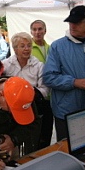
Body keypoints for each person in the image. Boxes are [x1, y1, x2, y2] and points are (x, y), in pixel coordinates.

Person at [42, 6, 85, 140]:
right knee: (67, 149)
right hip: (65, 112)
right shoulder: (57, 46)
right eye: (70, 22)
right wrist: (74, 82)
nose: (72, 25)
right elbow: (48, 77)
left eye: (77, 22)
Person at [3, 32, 48, 152]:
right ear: (15, 48)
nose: (26, 49)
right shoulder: (6, 65)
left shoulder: (39, 66)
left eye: (29, 45)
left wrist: (29, 94)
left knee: (32, 143)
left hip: (33, 108)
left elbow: (45, 89)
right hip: (11, 111)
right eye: (22, 46)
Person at [29, 20, 54, 148]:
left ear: (45, 30)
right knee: (35, 134)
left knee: (47, 131)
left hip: (51, 96)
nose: (37, 32)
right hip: (35, 97)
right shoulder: (28, 48)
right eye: (34, 29)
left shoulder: (51, 48)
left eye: (40, 29)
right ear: (31, 32)